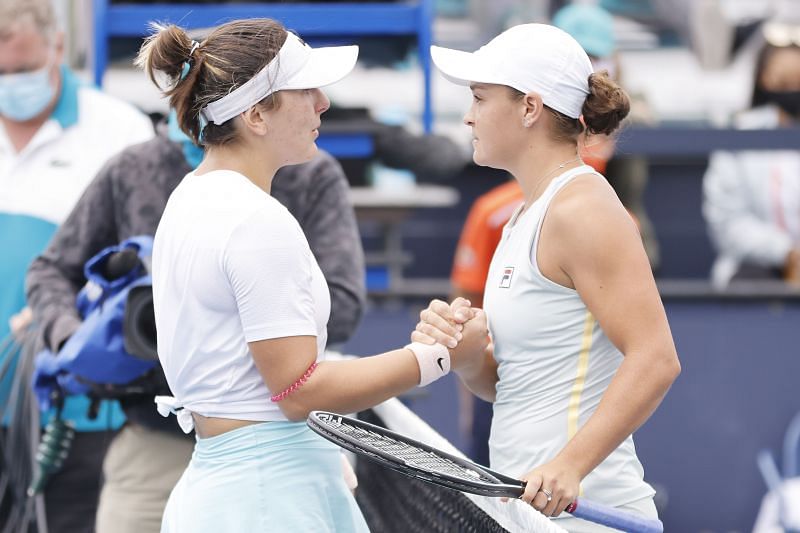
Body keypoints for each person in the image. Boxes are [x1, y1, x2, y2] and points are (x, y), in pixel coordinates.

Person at [136, 18, 487, 532]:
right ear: (256, 115)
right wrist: (439, 357)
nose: (323, 102)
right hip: (267, 499)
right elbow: (299, 388)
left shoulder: (189, 198)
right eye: (304, 90)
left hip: (240, 487)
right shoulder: (255, 220)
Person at [26, 105, 367, 531]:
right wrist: (76, 339)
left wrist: (240, 321)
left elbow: (346, 301)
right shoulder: (134, 168)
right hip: (154, 439)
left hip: (277, 445)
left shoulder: (306, 169)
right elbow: (51, 269)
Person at [415, 23, 681, 531]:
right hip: (529, 514)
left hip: (587, 517)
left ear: (529, 108)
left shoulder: (583, 207)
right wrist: (468, 355)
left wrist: (571, 465)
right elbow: (519, 385)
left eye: (479, 98)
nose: (468, 116)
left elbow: (657, 359)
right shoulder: (524, 216)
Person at [0, 0, 154, 530]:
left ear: (57, 48)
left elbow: (145, 268)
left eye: (19, 71)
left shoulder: (118, 133)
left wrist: (61, 325)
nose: (8, 83)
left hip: (79, 407)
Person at [703, 20, 800, 288]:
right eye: (783, 78)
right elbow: (727, 222)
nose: (792, 86)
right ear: (764, 77)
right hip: (757, 269)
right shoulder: (740, 132)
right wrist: (788, 254)